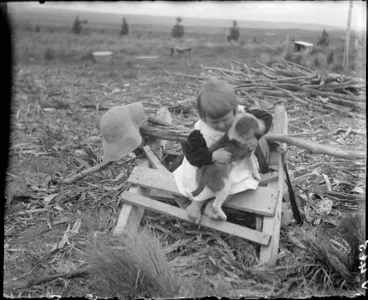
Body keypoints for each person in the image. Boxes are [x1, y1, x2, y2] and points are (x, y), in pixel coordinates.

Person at [173, 79, 273, 224]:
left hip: (235, 163)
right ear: (203, 118)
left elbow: (265, 117)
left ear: (233, 110)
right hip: (205, 166)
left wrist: (254, 136)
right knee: (201, 185)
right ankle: (196, 204)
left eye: (225, 120)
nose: (221, 125)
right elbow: (192, 154)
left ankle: (212, 205)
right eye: (214, 122)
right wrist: (212, 156)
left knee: (236, 183)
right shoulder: (200, 132)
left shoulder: (241, 114)